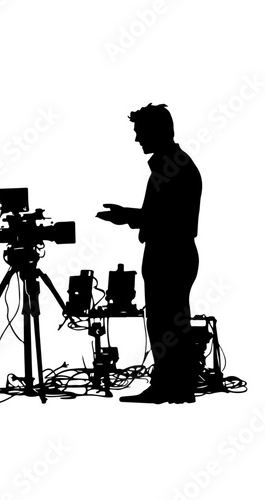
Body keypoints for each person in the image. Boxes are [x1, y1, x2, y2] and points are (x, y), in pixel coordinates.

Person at [97, 104, 202, 404]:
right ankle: (175, 386)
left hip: (170, 254)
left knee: (165, 322)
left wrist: (127, 216)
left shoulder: (172, 166)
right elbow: (162, 215)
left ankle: (169, 387)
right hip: (172, 253)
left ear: (156, 131)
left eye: (140, 132)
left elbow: (167, 220)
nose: (136, 139)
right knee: (169, 322)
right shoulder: (172, 163)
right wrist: (131, 215)